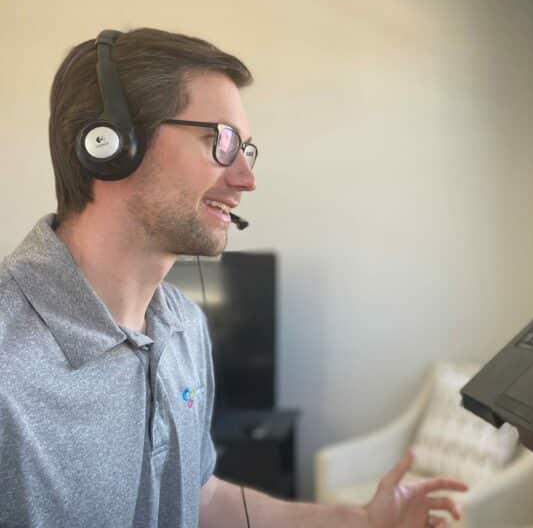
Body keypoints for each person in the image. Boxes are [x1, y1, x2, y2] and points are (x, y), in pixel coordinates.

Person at [0, 28, 466, 527]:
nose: (246, 178)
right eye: (219, 141)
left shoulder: (184, 326)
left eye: (246, 149)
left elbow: (201, 499)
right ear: (111, 145)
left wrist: (363, 521)